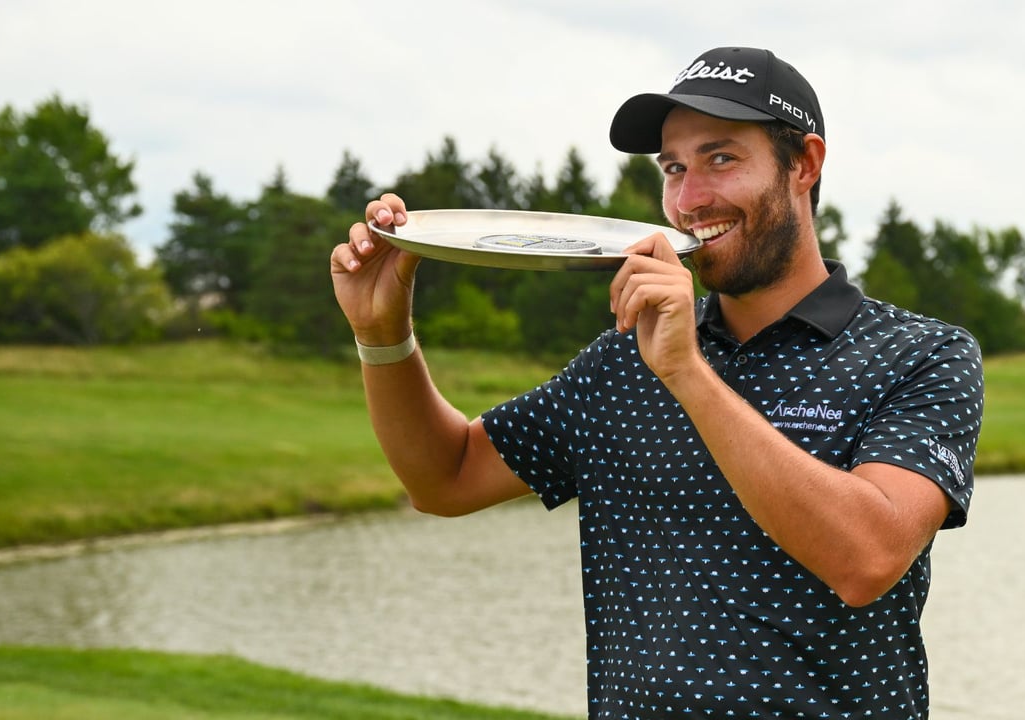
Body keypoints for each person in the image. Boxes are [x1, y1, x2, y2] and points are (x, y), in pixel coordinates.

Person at [331, 46, 983, 720]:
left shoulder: (920, 356)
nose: (689, 199)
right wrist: (383, 338)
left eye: (720, 158)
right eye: (674, 168)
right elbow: (446, 478)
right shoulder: (621, 361)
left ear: (805, 164)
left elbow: (866, 558)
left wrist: (686, 373)